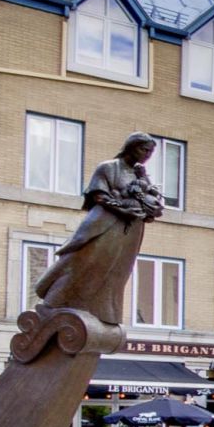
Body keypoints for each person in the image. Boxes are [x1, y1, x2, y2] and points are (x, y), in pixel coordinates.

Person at [32, 133, 165, 324]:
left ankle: (102, 313)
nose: (147, 155)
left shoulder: (139, 174)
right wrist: (123, 209)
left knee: (117, 271)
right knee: (86, 262)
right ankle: (55, 301)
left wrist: (147, 205)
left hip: (129, 231)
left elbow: (152, 203)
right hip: (105, 223)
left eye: (151, 152)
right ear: (131, 147)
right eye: (144, 149)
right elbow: (98, 196)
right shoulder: (109, 167)